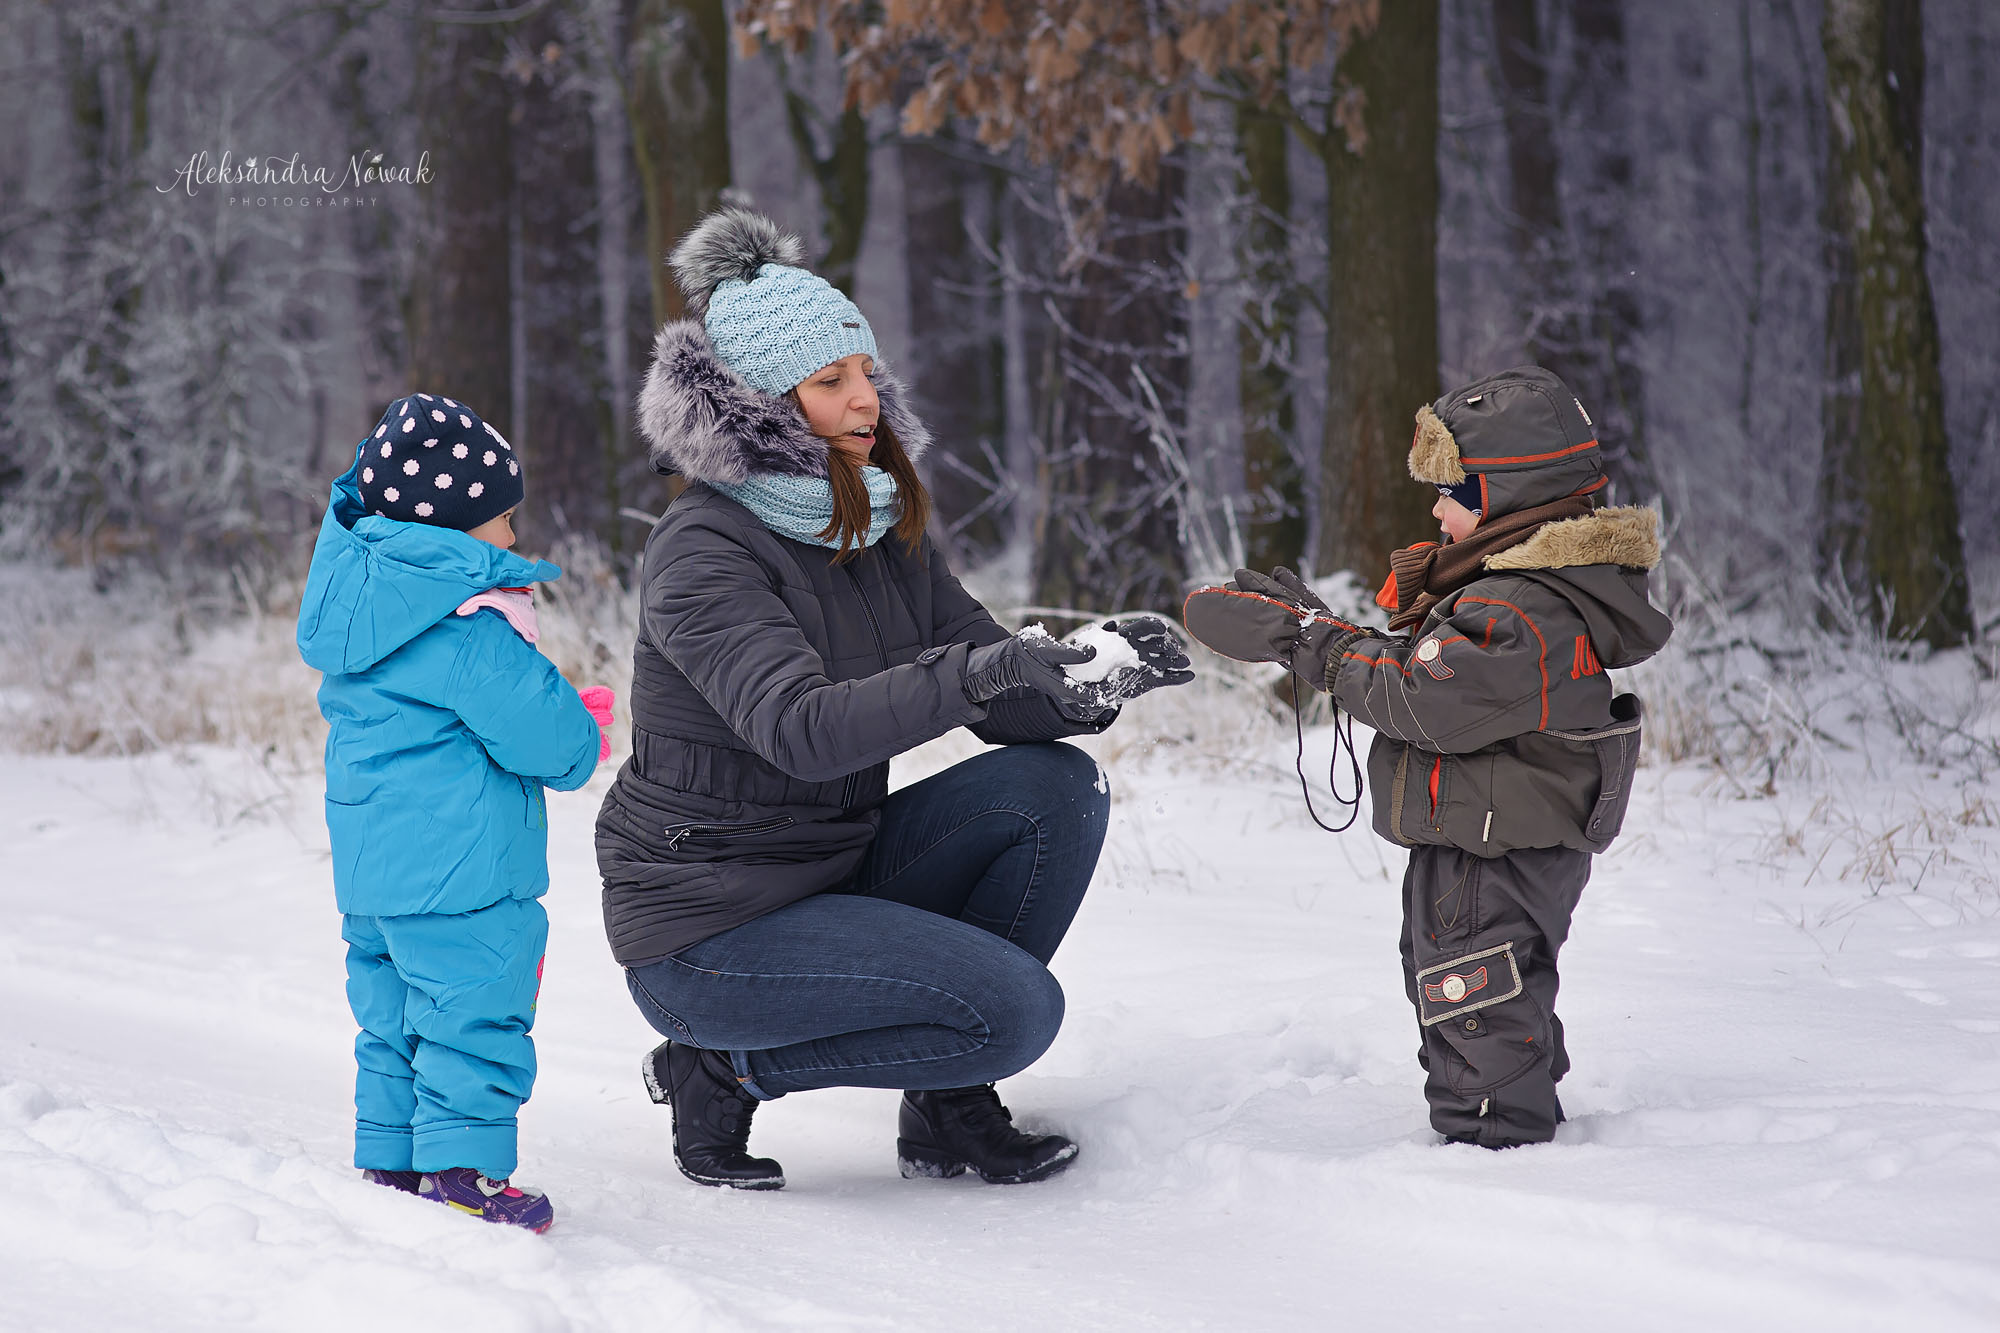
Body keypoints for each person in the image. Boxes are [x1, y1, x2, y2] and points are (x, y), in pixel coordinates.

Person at [597, 207, 1193, 1190]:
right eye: (831, 382)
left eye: (866, 372)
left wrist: (1076, 678)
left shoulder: (871, 524)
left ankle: (944, 1109)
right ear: (764, 404)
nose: (864, 397)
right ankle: (721, 1067)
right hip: (709, 924)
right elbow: (800, 729)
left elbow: (986, 679)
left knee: (1054, 786)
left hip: (828, 867)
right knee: (1014, 1013)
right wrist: (973, 675)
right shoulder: (702, 551)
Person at [1182, 367, 1673, 1148]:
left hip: (1491, 857)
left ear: (1510, 495)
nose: (1437, 509)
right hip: (1493, 841)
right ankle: (1508, 1112)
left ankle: (1497, 1156)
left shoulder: (1521, 605)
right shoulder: (1528, 590)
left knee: (1473, 1008)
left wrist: (1308, 644)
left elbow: (1424, 697)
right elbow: (1442, 673)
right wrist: (1324, 630)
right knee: (1480, 998)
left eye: (1456, 492)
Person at [297, 394, 614, 1230]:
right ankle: (465, 1168)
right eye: (505, 520)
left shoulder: (363, 615)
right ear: (458, 530)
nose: (512, 538)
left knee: (392, 1016)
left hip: (374, 876)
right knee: (474, 1012)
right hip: (462, 874)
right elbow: (559, 749)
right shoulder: (471, 629)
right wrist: (579, 721)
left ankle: (392, 1155)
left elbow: (426, 720)